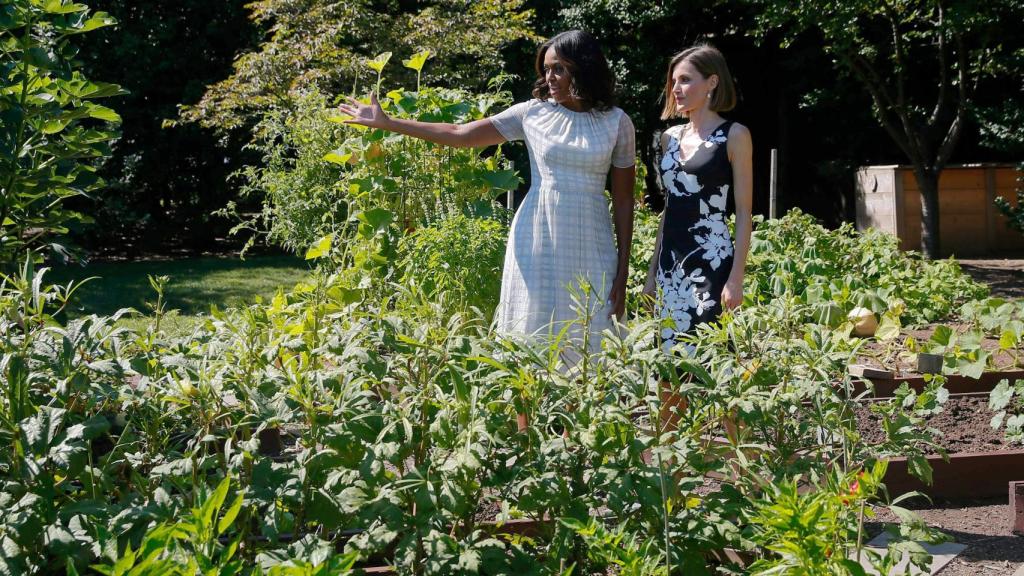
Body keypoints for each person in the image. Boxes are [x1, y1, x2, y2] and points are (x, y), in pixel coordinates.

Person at [339, 30, 635, 346]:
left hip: (593, 239)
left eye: (559, 68)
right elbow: (460, 133)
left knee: (594, 331)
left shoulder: (617, 122)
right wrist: (390, 123)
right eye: (546, 69)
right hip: (539, 236)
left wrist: (623, 270)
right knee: (536, 330)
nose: (550, 77)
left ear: (584, 68)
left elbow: (624, 199)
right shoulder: (532, 113)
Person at [642, 43, 752, 355]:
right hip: (671, 266)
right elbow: (670, 209)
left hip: (713, 263)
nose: (676, 88)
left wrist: (736, 279)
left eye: (685, 80)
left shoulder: (734, 135)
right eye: (674, 81)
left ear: (712, 82)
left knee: (714, 366)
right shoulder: (670, 138)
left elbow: (744, 212)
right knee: (668, 368)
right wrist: (652, 276)